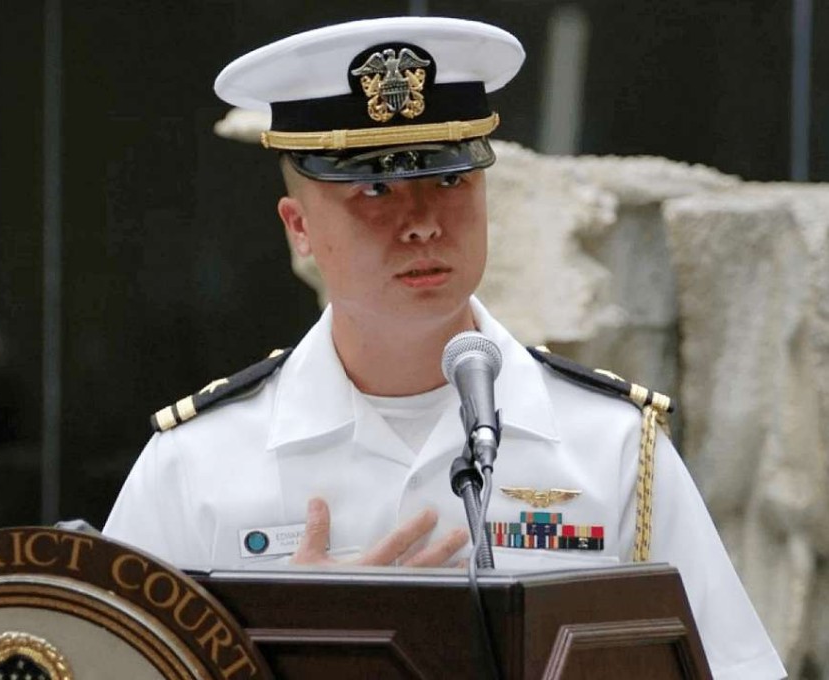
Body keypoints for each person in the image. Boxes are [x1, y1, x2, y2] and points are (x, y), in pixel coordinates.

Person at [104, 16, 784, 679]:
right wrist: (280, 650)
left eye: (451, 179)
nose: (424, 223)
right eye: (374, 188)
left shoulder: (607, 445)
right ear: (300, 227)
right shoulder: (199, 463)